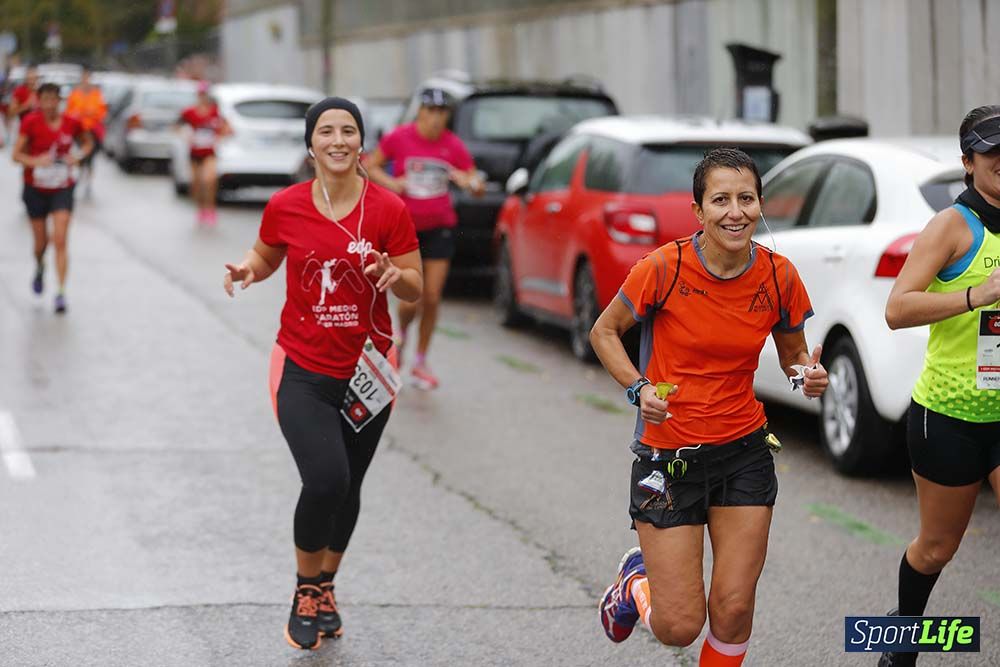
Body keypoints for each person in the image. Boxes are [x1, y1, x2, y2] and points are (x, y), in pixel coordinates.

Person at [589, 148, 828, 666]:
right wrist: (639, 388)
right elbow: (604, 331)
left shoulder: (777, 275)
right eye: (720, 200)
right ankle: (635, 584)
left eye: (746, 198)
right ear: (698, 210)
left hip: (744, 452)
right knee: (679, 626)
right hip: (668, 458)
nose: (734, 211)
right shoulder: (664, 268)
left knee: (735, 607)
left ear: (760, 205)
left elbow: (792, 356)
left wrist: (806, 375)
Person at [223, 97, 422, 650]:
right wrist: (247, 270)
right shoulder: (286, 205)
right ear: (311, 145)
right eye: (326, 132)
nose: (338, 140)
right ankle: (305, 588)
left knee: (350, 487)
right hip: (303, 367)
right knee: (326, 479)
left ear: (362, 143)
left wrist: (391, 274)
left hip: (370, 372)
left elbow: (416, 286)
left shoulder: (389, 209)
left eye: (349, 131)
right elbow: (266, 256)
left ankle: (326, 585)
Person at [881, 105, 1000, 667]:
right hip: (951, 416)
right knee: (935, 549)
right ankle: (900, 647)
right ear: (968, 162)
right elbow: (897, 308)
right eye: (992, 151)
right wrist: (977, 295)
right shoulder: (952, 226)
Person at [366, 87, 483, 389]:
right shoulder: (399, 137)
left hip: (440, 227)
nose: (434, 119)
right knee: (409, 301)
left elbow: (476, 183)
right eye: (430, 111)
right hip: (405, 229)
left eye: (441, 113)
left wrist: (468, 181)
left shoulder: (452, 145)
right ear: (420, 112)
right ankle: (401, 336)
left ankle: (420, 359)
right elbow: (370, 165)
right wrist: (392, 182)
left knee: (431, 297)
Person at [12, 82, 93, 314]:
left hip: (62, 187)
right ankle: (39, 266)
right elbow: (15, 155)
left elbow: (88, 143)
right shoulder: (30, 122)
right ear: (39, 101)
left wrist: (77, 156)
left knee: (60, 238)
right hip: (35, 188)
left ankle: (61, 292)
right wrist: (36, 161)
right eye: (44, 100)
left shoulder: (71, 123)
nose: (48, 105)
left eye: (53, 100)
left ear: (59, 100)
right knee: (41, 243)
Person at [178, 81, 230, 226]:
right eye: (201, 94)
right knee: (197, 183)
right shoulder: (189, 112)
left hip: (209, 153)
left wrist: (219, 137)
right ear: (197, 95)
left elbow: (227, 127)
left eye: (205, 94)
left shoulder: (215, 111)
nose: (203, 97)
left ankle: (211, 209)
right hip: (195, 153)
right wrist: (186, 136)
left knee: (209, 180)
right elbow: (177, 126)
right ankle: (200, 208)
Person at [65, 67, 108, 197]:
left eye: (87, 77)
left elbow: (102, 111)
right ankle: (80, 176)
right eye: (84, 77)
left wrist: (92, 113)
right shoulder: (75, 94)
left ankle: (88, 182)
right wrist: (78, 114)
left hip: (93, 130)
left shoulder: (96, 94)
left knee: (90, 158)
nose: (86, 80)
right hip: (80, 131)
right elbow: (69, 112)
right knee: (81, 155)